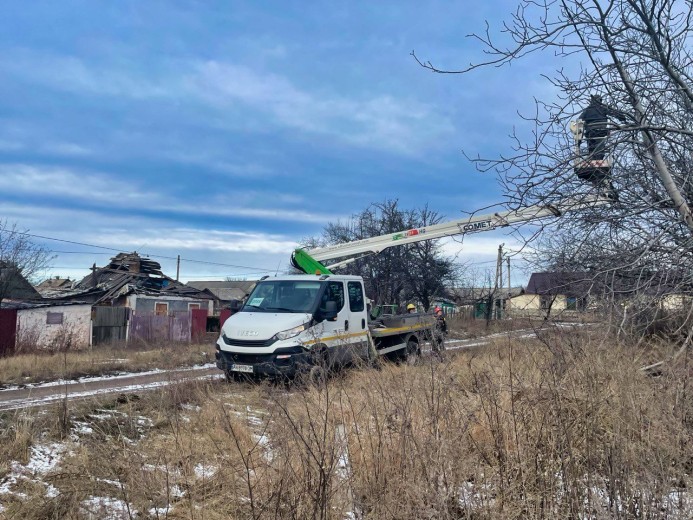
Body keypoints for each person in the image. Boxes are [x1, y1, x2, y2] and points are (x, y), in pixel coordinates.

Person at [580, 94, 627, 161]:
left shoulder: (587, 110)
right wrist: (622, 117)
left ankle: (592, 158)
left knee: (592, 147)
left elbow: (580, 120)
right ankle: (598, 159)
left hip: (590, 132)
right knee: (600, 148)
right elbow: (613, 112)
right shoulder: (602, 108)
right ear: (600, 100)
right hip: (600, 130)